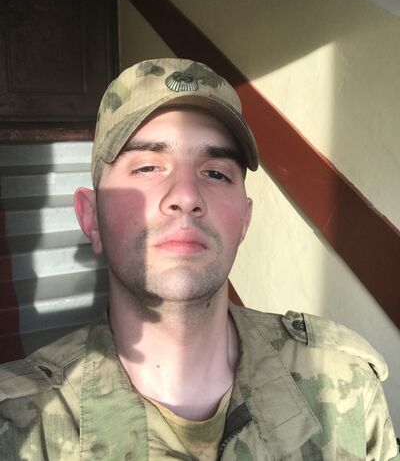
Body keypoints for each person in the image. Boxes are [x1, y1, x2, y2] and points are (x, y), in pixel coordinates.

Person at [0, 58, 398, 460]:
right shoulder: (18, 428)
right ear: (91, 217)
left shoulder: (345, 384)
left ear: (243, 221)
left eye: (216, 173)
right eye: (148, 167)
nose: (187, 196)